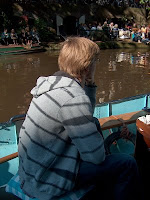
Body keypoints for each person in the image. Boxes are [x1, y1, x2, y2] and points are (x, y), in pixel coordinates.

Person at [18, 37, 144, 200]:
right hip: (47, 180)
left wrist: (90, 84)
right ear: (88, 65)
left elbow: (85, 115)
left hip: (32, 171)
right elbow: (96, 157)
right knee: (127, 164)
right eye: (95, 61)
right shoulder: (72, 97)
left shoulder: (52, 85)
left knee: (95, 123)